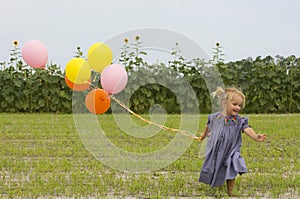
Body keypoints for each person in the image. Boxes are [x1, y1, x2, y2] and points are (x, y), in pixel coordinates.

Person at [198, 87, 266, 196]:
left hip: (232, 149)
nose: (238, 107)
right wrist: (203, 135)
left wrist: (255, 136)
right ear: (224, 103)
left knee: (231, 167)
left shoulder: (239, 120)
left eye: (239, 105)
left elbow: (246, 128)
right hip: (217, 149)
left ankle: (230, 192)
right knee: (216, 167)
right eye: (235, 104)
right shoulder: (215, 117)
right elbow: (208, 127)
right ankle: (215, 184)